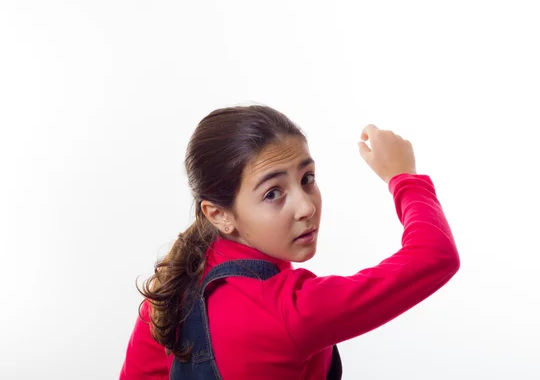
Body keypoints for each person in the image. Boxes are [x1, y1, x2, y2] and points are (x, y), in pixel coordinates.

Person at [119, 105, 460, 380]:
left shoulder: (175, 280)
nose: (307, 207)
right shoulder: (288, 310)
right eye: (273, 193)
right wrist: (404, 177)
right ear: (219, 214)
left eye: (307, 178)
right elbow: (436, 255)